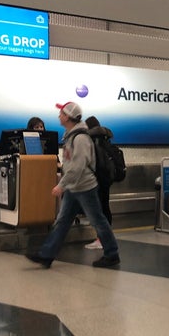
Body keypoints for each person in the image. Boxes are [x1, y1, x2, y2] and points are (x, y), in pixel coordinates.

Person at [25, 101, 120, 268]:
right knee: (62, 221)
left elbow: (78, 166)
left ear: (68, 117)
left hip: (85, 187)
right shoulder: (70, 135)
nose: (59, 116)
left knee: (97, 220)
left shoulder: (81, 138)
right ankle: (46, 255)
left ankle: (112, 253)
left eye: (61, 113)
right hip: (73, 187)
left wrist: (62, 184)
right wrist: (66, 184)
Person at [82, 115, 114, 249]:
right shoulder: (106, 138)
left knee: (100, 210)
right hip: (107, 178)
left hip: (97, 179)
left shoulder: (93, 139)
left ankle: (102, 240)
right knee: (104, 208)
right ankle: (105, 239)